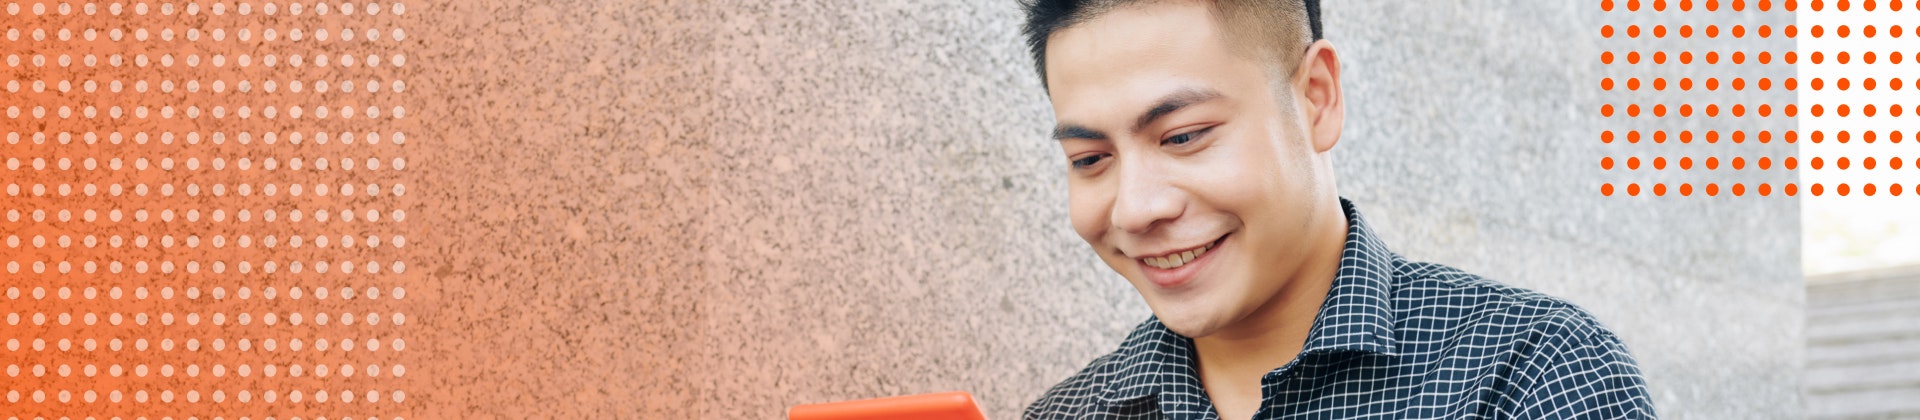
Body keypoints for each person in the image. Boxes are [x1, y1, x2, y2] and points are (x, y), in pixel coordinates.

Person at [1018, 1, 1657, 418]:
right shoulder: (1067, 414)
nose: (1135, 209)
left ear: (1317, 99)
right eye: (1090, 159)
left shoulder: (1532, 371)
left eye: (1183, 136)